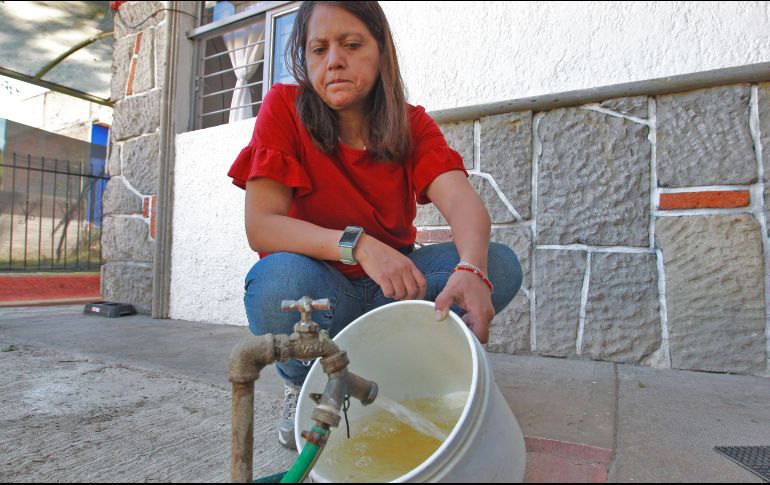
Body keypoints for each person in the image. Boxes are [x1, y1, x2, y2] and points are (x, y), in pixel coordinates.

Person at [227, 0, 522, 450]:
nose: (335, 61)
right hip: (322, 289)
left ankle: (396, 370)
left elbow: (464, 204)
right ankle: (303, 384)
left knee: (498, 264)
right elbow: (262, 226)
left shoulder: (410, 123)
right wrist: (358, 244)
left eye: (352, 44)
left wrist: (472, 269)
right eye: (319, 49)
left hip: (396, 288)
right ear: (304, 60)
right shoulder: (284, 106)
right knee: (275, 283)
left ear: (381, 51)